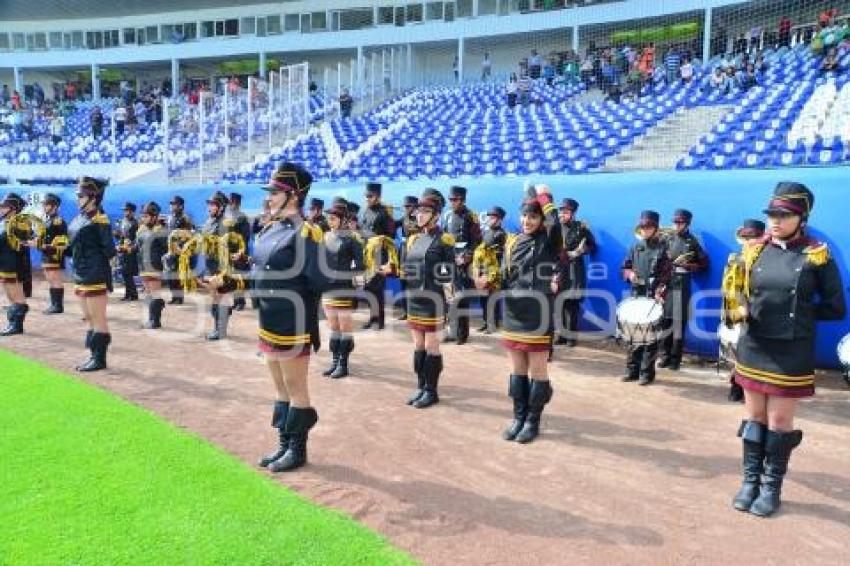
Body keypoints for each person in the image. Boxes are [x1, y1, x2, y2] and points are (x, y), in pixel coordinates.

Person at [730, 182, 846, 517]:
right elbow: (739, 291)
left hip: (791, 349)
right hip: (754, 343)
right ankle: (749, 482)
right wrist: (740, 306)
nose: (775, 221)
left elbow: (836, 307)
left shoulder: (817, 255)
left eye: (785, 215)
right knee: (754, 416)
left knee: (780, 421)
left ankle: (771, 487)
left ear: (802, 217)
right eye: (772, 215)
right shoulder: (753, 251)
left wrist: (795, 316)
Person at [213, 163, 327, 473]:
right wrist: (227, 282)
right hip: (269, 319)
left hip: (293, 321)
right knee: (279, 388)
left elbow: (320, 281)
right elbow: (258, 274)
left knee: (295, 386)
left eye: (275, 192)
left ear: (293, 196)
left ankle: (297, 450)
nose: (269, 198)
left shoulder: (307, 232)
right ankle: (283, 444)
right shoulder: (269, 229)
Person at [500, 185, 562, 443]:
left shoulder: (549, 241)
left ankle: (533, 421)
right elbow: (507, 276)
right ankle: (518, 416)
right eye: (525, 216)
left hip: (538, 312)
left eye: (534, 217)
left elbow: (555, 225)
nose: (527, 221)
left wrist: (545, 197)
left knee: (537, 370)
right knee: (517, 370)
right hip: (514, 310)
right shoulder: (512, 241)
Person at [402, 189, 455, 409]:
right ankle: (421, 386)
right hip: (414, 298)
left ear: (436, 214)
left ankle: (431, 391)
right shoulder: (414, 238)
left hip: (433, 300)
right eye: (418, 211)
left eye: (425, 211)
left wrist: (448, 305)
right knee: (418, 346)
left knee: (432, 346)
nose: (419, 215)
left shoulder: (445, 240)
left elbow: (447, 276)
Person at [68, 177, 116, 371]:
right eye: (77, 195)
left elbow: (110, 251)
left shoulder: (100, 219)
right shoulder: (79, 217)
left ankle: (99, 359)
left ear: (93, 197)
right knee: (88, 317)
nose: (77, 198)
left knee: (98, 318)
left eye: (81, 195)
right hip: (80, 272)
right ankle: (92, 355)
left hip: (95, 273)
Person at [621, 210, 672, 385]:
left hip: (653, 297)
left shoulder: (664, 249)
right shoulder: (634, 248)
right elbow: (625, 267)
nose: (644, 230)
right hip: (637, 295)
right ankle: (632, 370)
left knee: (650, 338)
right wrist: (629, 275)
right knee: (634, 335)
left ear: (655, 229)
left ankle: (646, 373)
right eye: (642, 227)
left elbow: (667, 275)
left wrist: (660, 291)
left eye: (648, 227)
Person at [721, 218, 765, 403]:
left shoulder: (768, 259)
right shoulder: (736, 259)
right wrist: (741, 305)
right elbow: (730, 286)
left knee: (759, 355)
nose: (749, 241)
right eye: (746, 237)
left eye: (753, 237)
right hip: (741, 312)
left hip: (763, 312)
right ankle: (736, 386)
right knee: (738, 353)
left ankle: (754, 390)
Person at [659, 209, 709, 371]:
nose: (677, 225)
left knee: (678, 323)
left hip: (682, 285)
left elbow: (704, 264)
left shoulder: (692, 242)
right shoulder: (667, 238)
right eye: (675, 222)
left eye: (680, 222)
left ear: (687, 224)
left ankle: (675, 359)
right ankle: (664, 356)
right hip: (667, 283)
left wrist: (689, 265)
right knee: (665, 321)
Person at [321, 198, 365, 379]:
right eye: (328, 218)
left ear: (342, 219)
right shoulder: (325, 237)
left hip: (344, 287)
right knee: (333, 327)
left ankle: (343, 364)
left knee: (345, 327)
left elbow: (360, 264)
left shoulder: (351, 239)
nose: (329, 221)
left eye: (333, 218)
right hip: (327, 288)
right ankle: (334, 361)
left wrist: (348, 273)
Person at [199, 191, 246, 341]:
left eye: (213, 204)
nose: (210, 207)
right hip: (209, 263)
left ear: (221, 207)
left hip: (222, 265)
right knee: (214, 296)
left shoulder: (227, 222)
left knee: (221, 295)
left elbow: (234, 242)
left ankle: (221, 330)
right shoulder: (208, 221)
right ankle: (217, 327)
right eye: (210, 204)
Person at [554, 198, 596, 347]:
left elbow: (592, 245)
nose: (562, 215)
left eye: (566, 212)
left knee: (572, 303)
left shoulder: (581, 228)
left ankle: (571, 337)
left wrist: (580, 251)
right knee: (560, 302)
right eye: (561, 212)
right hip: (559, 268)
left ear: (573, 213)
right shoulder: (555, 228)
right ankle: (561, 335)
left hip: (574, 269)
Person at [444, 185, 481, 345]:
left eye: (455, 199)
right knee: (449, 298)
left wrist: (467, 256)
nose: (452, 202)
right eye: (450, 199)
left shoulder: (471, 217)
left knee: (462, 298)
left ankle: (462, 334)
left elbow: (477, 241)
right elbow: (444, 238)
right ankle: (452, 331)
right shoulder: (447, 216)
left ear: (463, 200)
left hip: (464, 262)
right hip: (450, 260)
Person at [358, 182, 396, 330]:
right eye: (366, 196)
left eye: (371, 196)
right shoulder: (364, 211)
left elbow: (391, 235)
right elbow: (361, 230)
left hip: (379, 255)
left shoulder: (385, 213)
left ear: (378, 196)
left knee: (377, 288)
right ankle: (372, 318)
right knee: (368, 288)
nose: (368, 199)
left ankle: (379, 321)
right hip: (367, 254)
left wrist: (377, 238)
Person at [0, 193, 31, 336]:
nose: (1, 209)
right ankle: (13, 321)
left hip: (14, 263)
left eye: (4, 207)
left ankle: (17, 325)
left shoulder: (20, 223)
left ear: (13, 208)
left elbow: (20, 246)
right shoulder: (4, 222)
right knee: (9, 294)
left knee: (16, 294)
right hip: (4, 263)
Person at [134, 202, 169, 329]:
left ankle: (155, 321)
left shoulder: (161, 231)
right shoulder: (141, 230)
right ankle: (151, 319)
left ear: (154, 217)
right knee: (148, 294)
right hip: (143, 266)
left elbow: (167, 249)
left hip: (154, 266)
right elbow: (137, 247)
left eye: (146, 216)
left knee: (155, 293)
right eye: (143, 216)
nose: (144, 219)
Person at [474, 206, 506, 334]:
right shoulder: (486, 233)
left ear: (499, 220)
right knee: (483, 298)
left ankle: (493, 324)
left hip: (494, 270)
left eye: (493, 217)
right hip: (483, 269)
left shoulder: (501, 234)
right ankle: (486, 322)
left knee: (493, 298)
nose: (490, 219)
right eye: (489, 217)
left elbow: (498, 253)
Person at [37, 193, 69, 315]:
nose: (44, 207)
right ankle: (54, 304)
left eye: (47, 205)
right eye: (44, 204)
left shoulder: (58, 222)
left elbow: (63, 242)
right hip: (46, 255)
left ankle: (58, 306)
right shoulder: (47, 221)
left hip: (54, 256)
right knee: (51, 280)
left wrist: (48, 247)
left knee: (55, 280)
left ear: (54, 206)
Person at [163, 196, 194, 305]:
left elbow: (189, 234)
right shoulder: (170, 218)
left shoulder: (185, 218)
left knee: (178, 274)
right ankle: (174, 296)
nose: (172, 206)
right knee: (171, 273)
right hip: (170, 249)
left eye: (174, 204)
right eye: (171, 204)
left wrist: (181, 246)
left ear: (180, 206)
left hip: (181, 250)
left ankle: (179, 298)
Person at [226, 192, 252, 312]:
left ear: (237, 203)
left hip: (239, 253)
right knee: (232, 278)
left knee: (239, 277)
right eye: (230, 202)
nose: (231, 204)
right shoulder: (228, 217)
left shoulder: (242, 217)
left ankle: (241, 302)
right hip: (229, 252)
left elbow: (245, 237)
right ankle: (236, 301)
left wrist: (241, 252)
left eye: (233, 202)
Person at [395, 195, 420, 321]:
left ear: (415, 206)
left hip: (416, 253)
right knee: (403, 284)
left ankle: (415, 311)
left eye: (408, 206)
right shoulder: (404, 218)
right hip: (404, 254)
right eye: (405, 206)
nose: (406, 209)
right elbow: (392, 225)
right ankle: (406, 312)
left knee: (415, 284)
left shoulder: (421, 219)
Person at [114, 203, 140, 302]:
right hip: (123, 250)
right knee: (125, 273)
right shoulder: (123, 222)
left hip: (130, 251)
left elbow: (137, 239)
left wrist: (130, 246)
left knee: (128, 273)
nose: (126, 212)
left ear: (133, 212)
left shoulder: (135, 223)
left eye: (128, 210)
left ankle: (133, 294)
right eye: (125, 210)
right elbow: (121, 236)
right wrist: (117, 235)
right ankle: (128, 294)